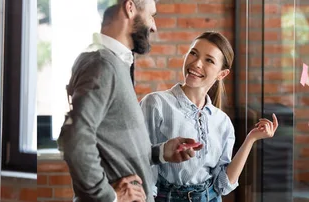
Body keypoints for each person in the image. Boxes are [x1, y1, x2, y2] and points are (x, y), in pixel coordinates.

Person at [58, 1, 203, 202]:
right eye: (151, 15)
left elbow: (113, 144)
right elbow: (73, 138)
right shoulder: (102, 64)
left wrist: (161, 152)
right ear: (130, 7)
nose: (154, 26)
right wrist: (109, 197)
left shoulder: (113, 62)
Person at [139, 31, 279, 202]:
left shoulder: (222, 122)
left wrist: (251, 139)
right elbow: (141, 162)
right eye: (193, 53)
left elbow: (223, 184)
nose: (196, 63)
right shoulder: (156, 104)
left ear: (222, 74)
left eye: (209, 60)